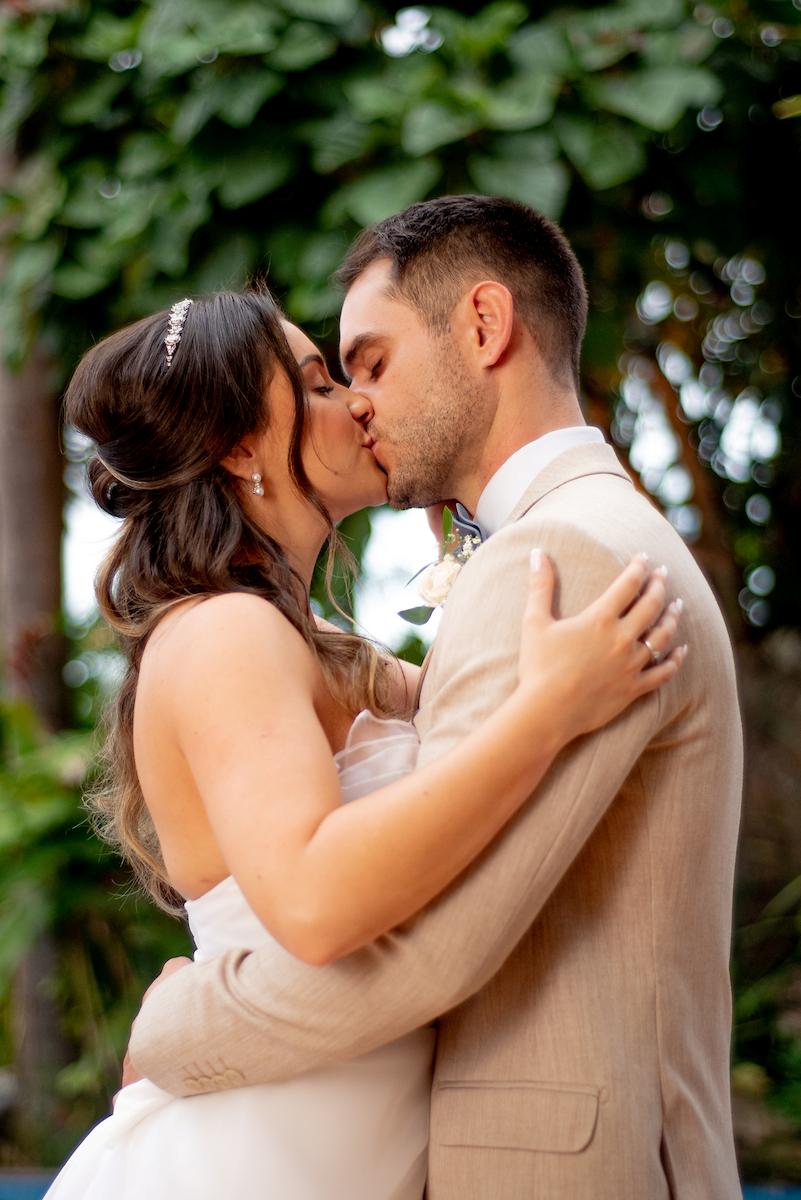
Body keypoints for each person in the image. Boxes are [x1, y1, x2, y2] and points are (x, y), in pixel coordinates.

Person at [129, 196, 744, 1200]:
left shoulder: (560, 558)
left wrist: (172, 1028)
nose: (358, 404)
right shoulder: (575, 537)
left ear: (485, 327)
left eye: (365, 365)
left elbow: (419, 951)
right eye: (329, 380)